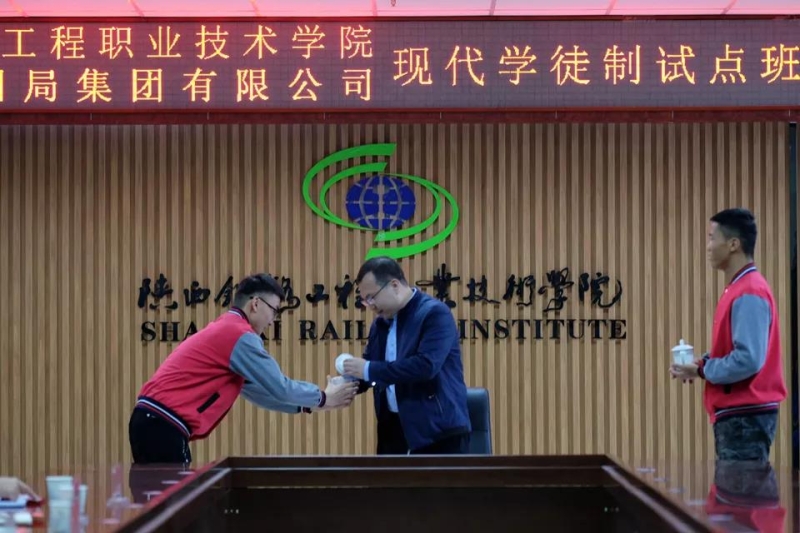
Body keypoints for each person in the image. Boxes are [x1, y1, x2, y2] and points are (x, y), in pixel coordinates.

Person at [129, 273, 358, 464]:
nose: (273, 321)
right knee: (173, 502)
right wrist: (323, 397)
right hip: (163, 424)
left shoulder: (228, 330)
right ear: (255, 304)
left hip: (152, 421)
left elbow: (261, 393)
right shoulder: (239, 335)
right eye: (275, 311)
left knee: (161, 501)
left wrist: (312, 405)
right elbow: (281, 387)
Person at [670, 208, 786, 461]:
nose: (708, 247)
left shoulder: (749, 291)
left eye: (712, 238)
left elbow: (748, 359)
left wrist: (704, 369)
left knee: (740, 486)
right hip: (741, 416)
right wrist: (700, 366)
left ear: (733, 244)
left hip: (745, 416)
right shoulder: (740, 288)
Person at [342, 256, 471, 454]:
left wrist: (367, 369)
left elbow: (425, 366)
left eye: (372, 297)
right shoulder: (380, 323)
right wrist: (348, 384)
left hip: (438, 431)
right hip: (393, 430)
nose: (370, 305)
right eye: (365, 300)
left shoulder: (434, 313)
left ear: (394, 285)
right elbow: (374, 370)